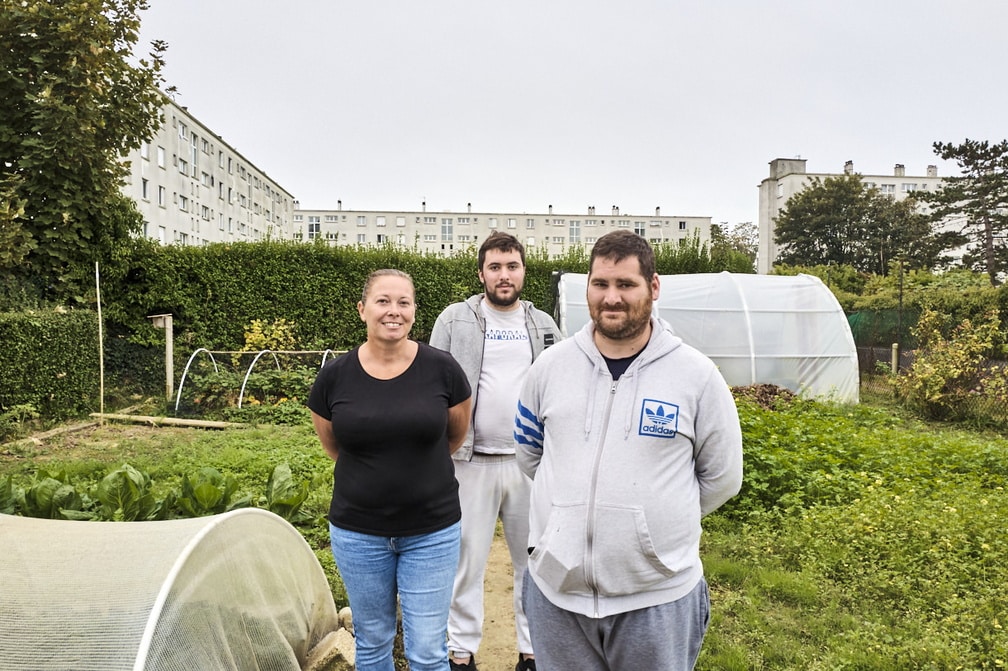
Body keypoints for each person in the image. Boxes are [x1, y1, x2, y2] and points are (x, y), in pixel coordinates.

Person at [514, 230, 744, 671]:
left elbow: (721, 478)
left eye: (626, 284)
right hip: (557, 596)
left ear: (653, 288)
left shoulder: (695, 376)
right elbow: (529, 452)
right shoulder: (550, 368)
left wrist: (650, 531)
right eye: (600, 284)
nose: (611, 298)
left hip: (657, 599)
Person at [308, 269, 472, 671]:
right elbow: (334, 445)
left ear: (414, 310)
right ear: (363, 310)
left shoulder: (443, 369)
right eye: (383, 301)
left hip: (432, 532)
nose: (393, 311)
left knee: (428, 652)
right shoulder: (335, 377)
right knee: (373, 642)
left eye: (404, 302)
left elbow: (454, 436)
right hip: (358, 534)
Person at [429, 232, 561, 671]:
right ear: (482, 272)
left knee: (534, 559)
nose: (504, 275)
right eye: (495, 267)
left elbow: (562, 389)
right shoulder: (454, 319)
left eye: (512, 266)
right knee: (467, 559)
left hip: (529, 464)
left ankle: (531, 650)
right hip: (470, 461)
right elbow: (433, 386)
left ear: (524, 270)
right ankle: (461, 652)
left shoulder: (544, 325)